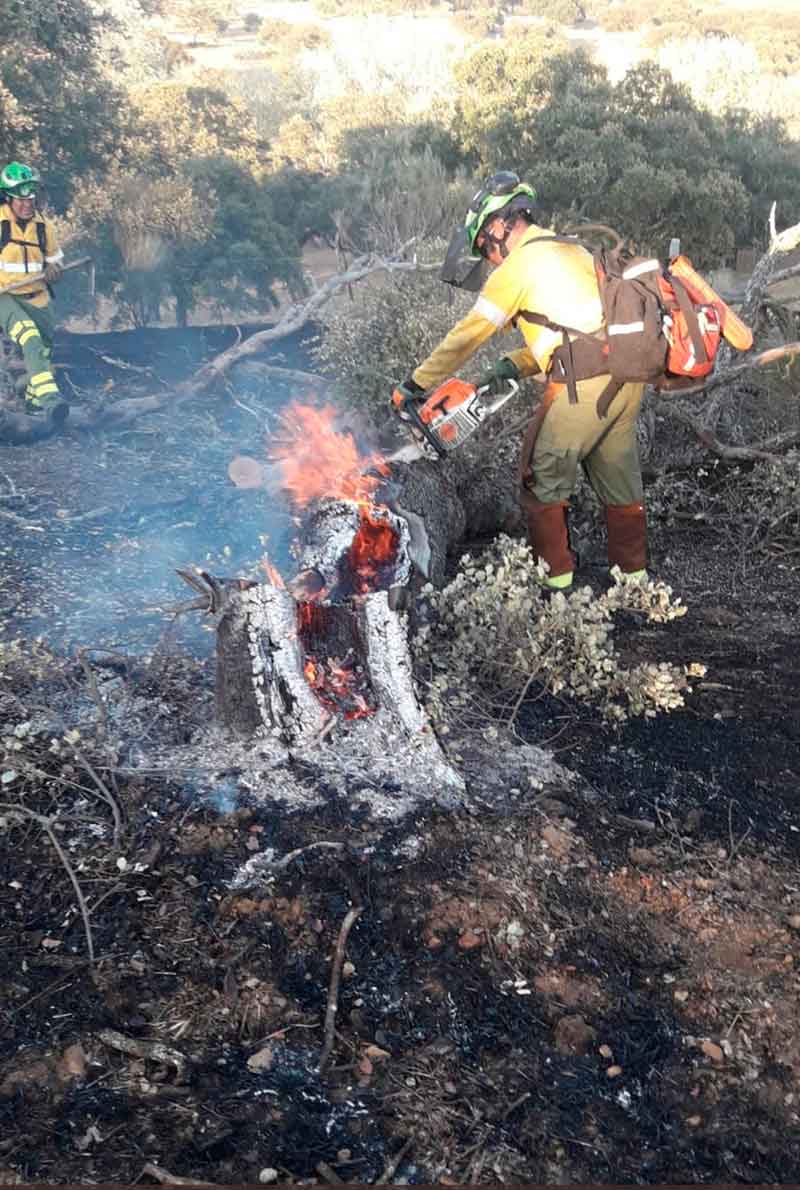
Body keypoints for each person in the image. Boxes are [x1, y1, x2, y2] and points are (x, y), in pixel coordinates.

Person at [392, 170, 647, 592]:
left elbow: (469, 334)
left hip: (583, 387)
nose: (488, 256)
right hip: (624, 376)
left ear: (498, 226)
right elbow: (573, 330)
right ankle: (635, 586)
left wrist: (416, 384)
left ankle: (556, 589)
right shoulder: (568, 247)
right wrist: (512, 365)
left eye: (483, 246)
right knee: (618, 481)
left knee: (540, 480)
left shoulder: (519, 265)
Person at [0, 161, 68, 425]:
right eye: (21, 199)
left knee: (42, 356)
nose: (27, 204)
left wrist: (54, 269)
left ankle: (31, 401)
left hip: (38, 297)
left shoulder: (44, 227)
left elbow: (55, 261)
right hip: (5, 297)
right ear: (8, 198)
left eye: (31, 198)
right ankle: (52, 401)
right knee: (29, 337)